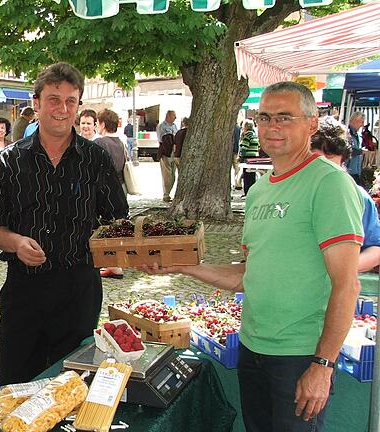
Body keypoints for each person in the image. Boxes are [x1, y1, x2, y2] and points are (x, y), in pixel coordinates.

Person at [141, 81, 363, 432]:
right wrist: (182, 267)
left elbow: (347, 284)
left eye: (285, 117)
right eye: (265, 117)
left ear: (312, 124)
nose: (272, 127)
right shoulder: (258, 191)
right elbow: (247, 274)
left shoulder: (329, 183)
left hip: (299, 354)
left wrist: (323, 364)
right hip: (252, 347)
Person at [0, 62, 128, 386]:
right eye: (53, 99)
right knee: (17, 389)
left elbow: (118, 220)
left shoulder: (96, 159)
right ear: (36, 103)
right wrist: (16, 243)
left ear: (78, 105)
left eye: (70, 101)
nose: (62, 109)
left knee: (73, 389)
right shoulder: (9, 161)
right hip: (24, 293)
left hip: (79, 293)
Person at [310, 123, 380, 271]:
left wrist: (342, 270)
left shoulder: (358, 195)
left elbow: (375, 247)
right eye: (319, 164)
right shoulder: (292, 193)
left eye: (333, 166)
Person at [94, 108, 128, 280]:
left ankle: (113, 264)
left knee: (106, 228)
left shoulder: (101, 142)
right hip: (120, 188)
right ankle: (117, 263)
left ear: (103, 124)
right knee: (118, 226)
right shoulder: (120, 142)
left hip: (106, 190)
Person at [157, 110, 179, 202]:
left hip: (174, 152)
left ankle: (169, 192)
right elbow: (160, 139)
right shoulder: (161, 126)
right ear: (168, 116)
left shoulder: (174, 126)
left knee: (173, 175)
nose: (175, 117)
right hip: (166, 152)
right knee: (167, 174)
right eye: (174, 115)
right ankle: (166, 194)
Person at [239, 119, 260, 196]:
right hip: (254, 157)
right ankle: (252, 191)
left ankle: (247, 192)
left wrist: (240, 157)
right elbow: (258, 146)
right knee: (252, 175)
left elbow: (244, 148)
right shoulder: (254, 135)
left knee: (246, 176)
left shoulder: (247, 135)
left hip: (247, 158)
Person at [347, 111, 365, 184]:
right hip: (349, 172)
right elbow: (346, 150)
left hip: (356, 172)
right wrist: (360, 151)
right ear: (355, 121)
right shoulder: (347, 133)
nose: (362, 125)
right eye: (361, 122)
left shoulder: (357, 135)